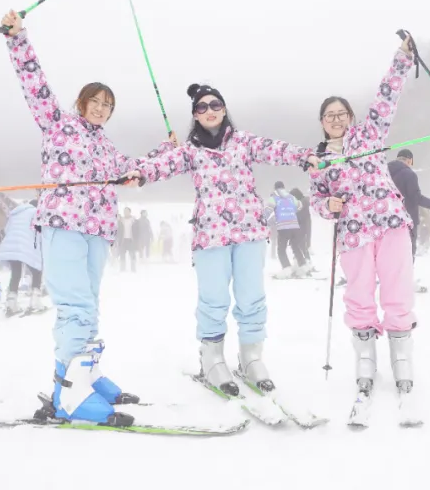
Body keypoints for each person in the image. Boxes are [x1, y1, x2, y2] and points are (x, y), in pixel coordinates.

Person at [0, 9, 173, 427]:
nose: (100, 108)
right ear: (81, 102)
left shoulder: (106, 146)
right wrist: (17, 38)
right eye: (94, 101)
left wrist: (166, 152)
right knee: (75, 307)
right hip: (63, 226)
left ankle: (87, 377)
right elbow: (34, 84)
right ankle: (67, 398)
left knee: (88, 308)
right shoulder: (57, 125)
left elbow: (130, 170)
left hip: (98, 231)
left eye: (107, 105)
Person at [136, 82, 319, 397]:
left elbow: (275, 148)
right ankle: (212, 359)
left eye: (215, 104)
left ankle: (251, 357)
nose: (210, 111)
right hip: (211, 235)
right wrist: (139, 174)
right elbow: (157, 167)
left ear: (224, 109)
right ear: (195, 114)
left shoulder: (243, 141)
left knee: (251, 297)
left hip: (249, 231)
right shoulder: (190, 151)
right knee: (214, 299)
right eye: (202, 107)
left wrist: (303, 157)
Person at [308, 35, 417, 404]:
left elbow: (387, 96)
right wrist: (329, 208)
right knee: (358, 295)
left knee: (397, 289)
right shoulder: (318, 158)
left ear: (351, 118)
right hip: (353, 234)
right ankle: (365, 363)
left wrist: (402, 59)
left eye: (341, 113)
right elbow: (317, 199)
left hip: (389, 221)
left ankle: (402, 361)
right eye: (329, 115)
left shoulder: (370, 134)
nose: (336, 119)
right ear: (322, 122)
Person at [386, 149, 430, 257]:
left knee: (390, 256)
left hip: (385, 221)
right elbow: (416, 198)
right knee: (407, 255)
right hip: (406, 221)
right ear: (410, 161)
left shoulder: (383, 172)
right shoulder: (409, 174)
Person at [0, 199, 43, 315]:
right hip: (25, 244)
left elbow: (7, 230)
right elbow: (39, 230)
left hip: (11, 245)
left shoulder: (15, 213)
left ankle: (11, 304)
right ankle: (35, 302)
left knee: (16, 273)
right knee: (37, 270)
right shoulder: (35, 212)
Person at [266, 181, 310, 278]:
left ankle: (286, 269)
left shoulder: (274, 197)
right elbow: (299, 206)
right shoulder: (291, 197)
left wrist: (263, 220)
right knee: (295, 246)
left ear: (275, 188)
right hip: (294, 226)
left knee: (281, 249)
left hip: (283, 226)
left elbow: (267, 211)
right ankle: (303, 266)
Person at [289, 188, 312, 262]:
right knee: (302, 247)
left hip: (301, 228)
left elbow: (299, 216)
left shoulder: (302, 204)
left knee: (298, 246)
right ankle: (305, 264)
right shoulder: (302, 202)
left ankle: (303, 265)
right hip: (301, 228)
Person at [117, 208, 139, 272]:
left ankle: (133, 269)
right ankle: (122, 269)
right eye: (124, 211)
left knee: (132, 254)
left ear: (130, 212)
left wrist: (136, 239)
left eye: (126, 211)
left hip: (131, 240)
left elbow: (137, 231)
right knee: (122, 255)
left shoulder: (134, 220)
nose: (125, 212)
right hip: (123, 240)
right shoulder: (121, 220)